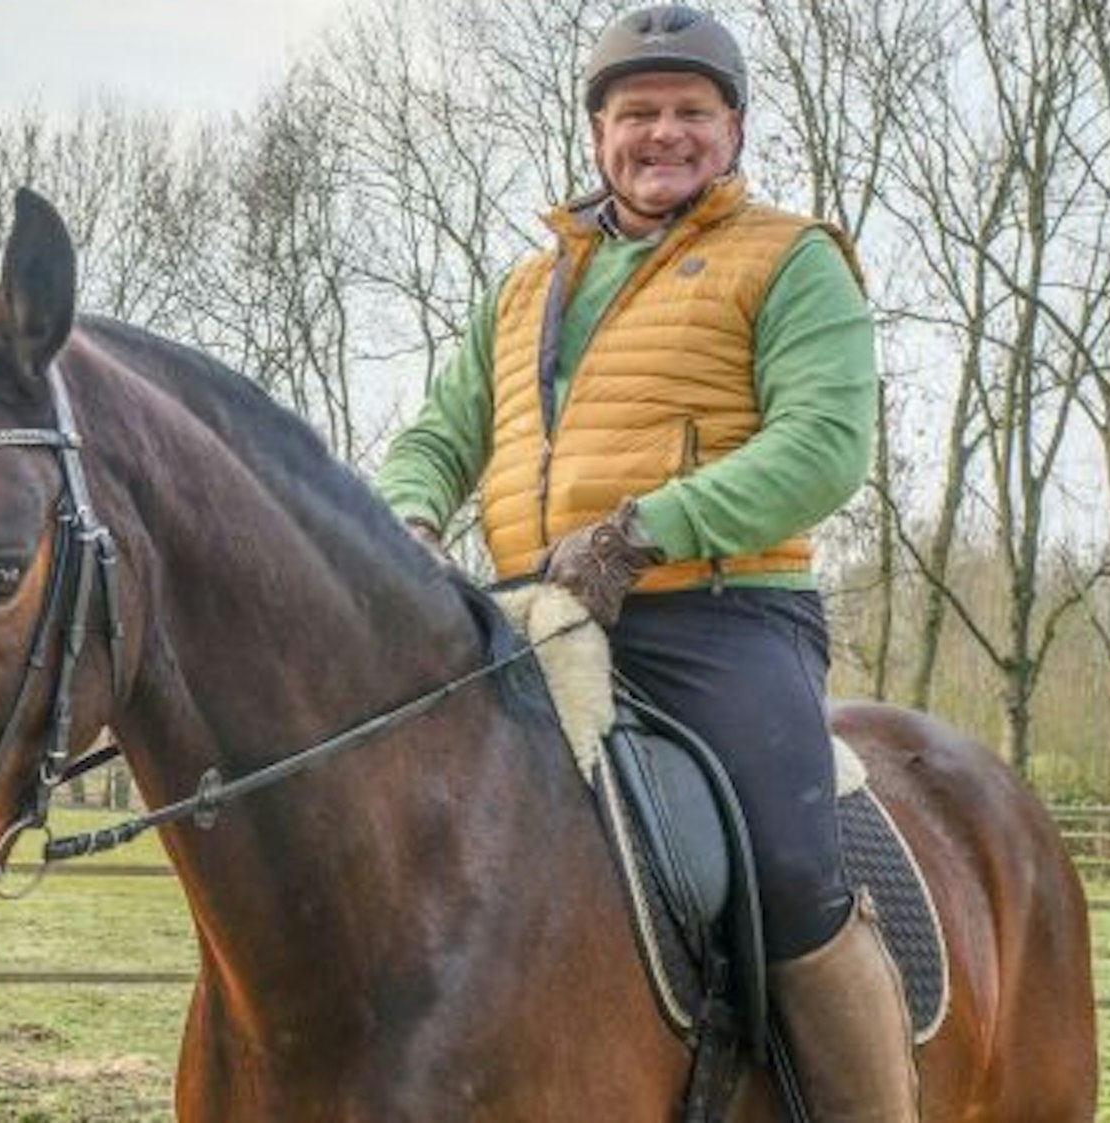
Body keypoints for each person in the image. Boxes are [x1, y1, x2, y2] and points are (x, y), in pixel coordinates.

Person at [374, 6, 914, 1119]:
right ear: (596, 134)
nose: (661, 135)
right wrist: (408, 521)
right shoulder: (526, 289)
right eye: (636, 114)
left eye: (688, 113)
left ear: (733, 129)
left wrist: (643, 529)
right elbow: (437, 434)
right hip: (528, 613)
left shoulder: (791, 260)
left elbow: (820, 446)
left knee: (784, 862)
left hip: (717, 616)